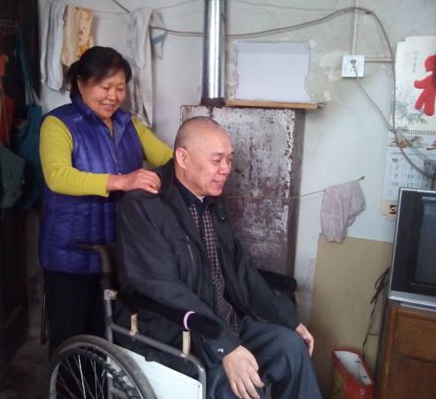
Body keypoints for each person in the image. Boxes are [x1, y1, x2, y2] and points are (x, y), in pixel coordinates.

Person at [116, 116, 322, 399]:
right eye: (216, 160)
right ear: (183, 158)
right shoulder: (144, 205)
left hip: (225, 323)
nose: (225, 169)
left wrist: (287, 319)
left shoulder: (212, 201)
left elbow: (242, 270)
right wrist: (225, 345)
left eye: (229, 159)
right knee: (239, 386)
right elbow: (163, 288)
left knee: (291, 347)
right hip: (179, 333)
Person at [39, 46, 173, 354]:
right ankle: (66, 381)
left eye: (120, 88)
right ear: (82, 84)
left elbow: (166, 157)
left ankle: (100, 380)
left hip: (115, 251)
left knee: (109, 333)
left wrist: (196, 164)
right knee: (71, 336)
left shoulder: (129, 124)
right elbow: (58, 176)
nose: (113, 96)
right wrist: (122, 181)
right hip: (69, 253)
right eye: (105, 86)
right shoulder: (58, 124)